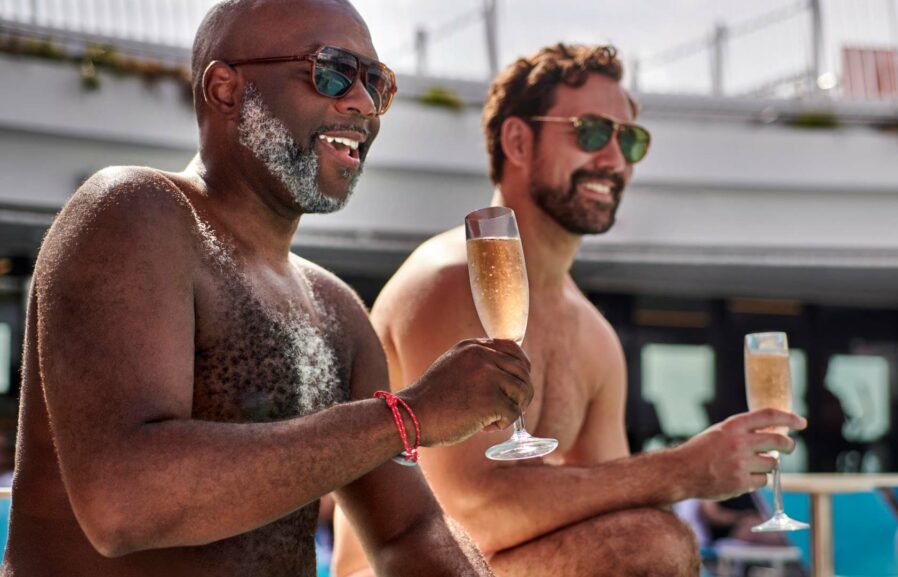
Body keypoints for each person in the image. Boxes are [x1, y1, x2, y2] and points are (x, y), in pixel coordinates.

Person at [1, 1, 536, 576]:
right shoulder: (135, 213)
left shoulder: (337, 311)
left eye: (376, 82)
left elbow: (407, 531)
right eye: (331, 71)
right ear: (227, 90)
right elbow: (124, 503)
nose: (361, 103)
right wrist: (409, 416)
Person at [333, 43, 806, 577]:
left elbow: (617, 503)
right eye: (591, 132)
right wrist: (682, 468)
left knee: (655, 539)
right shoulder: (450, 281)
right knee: (649, 544)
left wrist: (699, 473)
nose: (614, 159)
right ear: (517, 140)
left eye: (630, 139)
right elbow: (467, 514)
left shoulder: (593, 335)